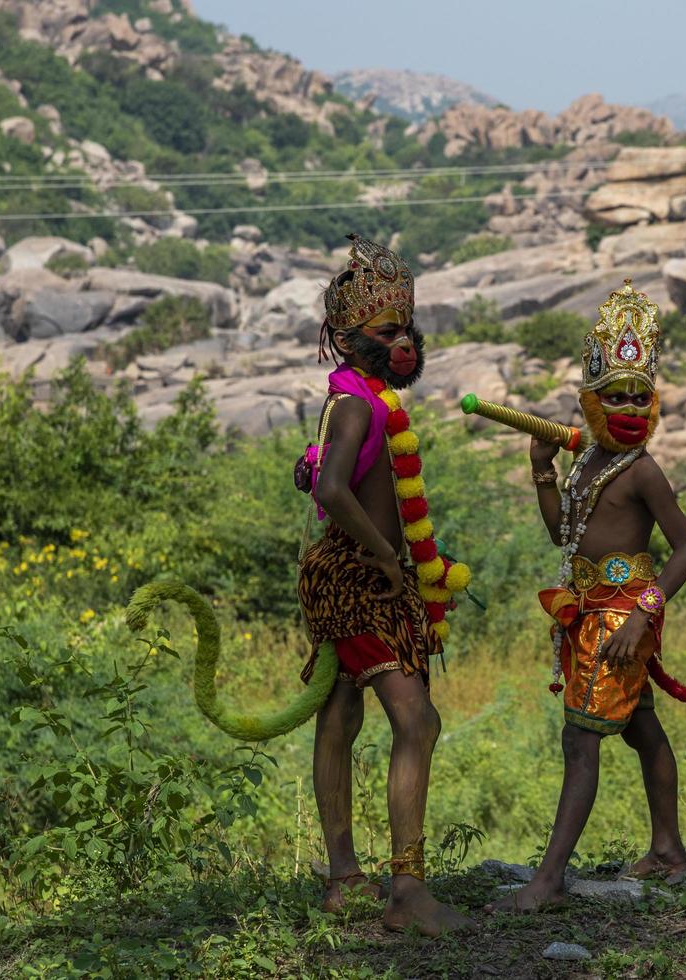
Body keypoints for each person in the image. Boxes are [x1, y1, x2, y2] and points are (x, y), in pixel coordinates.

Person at [490, 281, 686, 912]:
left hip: (620, 614)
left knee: (581, 742)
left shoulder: (643, 468)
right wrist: (541, 470)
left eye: (642, 396)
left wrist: (643, 614)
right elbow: (564, 533)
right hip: (585, 609)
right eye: (617, 395)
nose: (631, 406)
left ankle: (549, 880)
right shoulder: (588, 463)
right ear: (591, 401)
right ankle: (668, 850)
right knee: (640, 726)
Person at [298, 234, 473, 934]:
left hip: (358, 572)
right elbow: (337, 489)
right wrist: (384, 557)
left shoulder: (361, 401)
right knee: (416, 719)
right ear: (346, 339)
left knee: (342, 713)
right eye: (386, 331)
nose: (403, 343)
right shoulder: (359, 406)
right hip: (358, 578)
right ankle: (406, 892)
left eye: (408, 329)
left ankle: (346, 879)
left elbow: (327, 476)